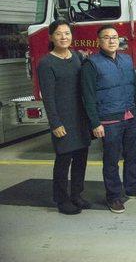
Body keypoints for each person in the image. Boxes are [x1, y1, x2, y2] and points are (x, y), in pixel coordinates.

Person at [82, 25, 136, 213]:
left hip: (130, 116)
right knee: (112, 159)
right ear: (99, 41)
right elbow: (87, 96)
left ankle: (132, 187)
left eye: (115, 37)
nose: (112, 40)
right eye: (107, 37)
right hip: (109, 119)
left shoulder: (127, 60)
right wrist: (95, 122)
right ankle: (113, 196)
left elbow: (135, 87)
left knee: (134, 154)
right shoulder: (92, 64)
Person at [38, 19, 91, 215]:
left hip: (80, 118)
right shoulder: (46, 63)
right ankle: (61, 200)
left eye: (67, 33)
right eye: (59, 34)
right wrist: (55, 123)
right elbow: (48, 97)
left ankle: (77, 195)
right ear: (51, 37)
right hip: (63, 119)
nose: (63, 37)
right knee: (63, 160)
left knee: (81, 158)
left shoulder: (77, 57)